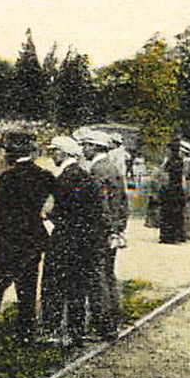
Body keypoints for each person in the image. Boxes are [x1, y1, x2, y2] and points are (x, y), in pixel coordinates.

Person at [0, 131, 56, 339]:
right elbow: (56, 205)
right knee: (28, 288)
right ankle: (25, 330)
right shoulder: (45, 176)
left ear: (12, 153)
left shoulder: (7, 177)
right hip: (33, 239)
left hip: (7, 240)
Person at [40, 135, 108, 345]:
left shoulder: (62, 180)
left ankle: (52, 330)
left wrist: (49, 217)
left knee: (54, 285)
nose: (52, 155)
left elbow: (55, 212)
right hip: (85, 240)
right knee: (78, 287)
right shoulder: (87, 178)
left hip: (64, 238)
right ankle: (76, 331)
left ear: (62, 153)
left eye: (53, 151)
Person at [81, 129, 128, 337]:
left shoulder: (98, 171)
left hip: (99, 232)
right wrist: (118, 229)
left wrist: (106, 229)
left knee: (97, 276)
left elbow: (101, 206)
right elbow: (123, 204)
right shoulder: (113, 168)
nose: (83, 150)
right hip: (112, 230)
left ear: (94, 147)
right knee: (108, 274)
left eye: (86, 146)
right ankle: (114, 317)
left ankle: (104, 324)